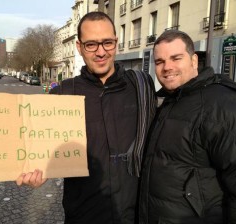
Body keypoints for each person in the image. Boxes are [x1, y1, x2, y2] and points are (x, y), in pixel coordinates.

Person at [16, 11, 157, 223]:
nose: (101, 52)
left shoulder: (141, 85)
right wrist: (35, 171)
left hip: (135, 214)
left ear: (116, 43)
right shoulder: (62, 94)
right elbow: (36, 150)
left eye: (107, 43)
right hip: (83, 215)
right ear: (79, 47)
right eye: (91, 44)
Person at [139, 30, 236, 224]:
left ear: (194, 60)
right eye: (160, 62)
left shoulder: (222, 105)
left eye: (176, 58)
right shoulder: (170, 100)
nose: (167, 67)